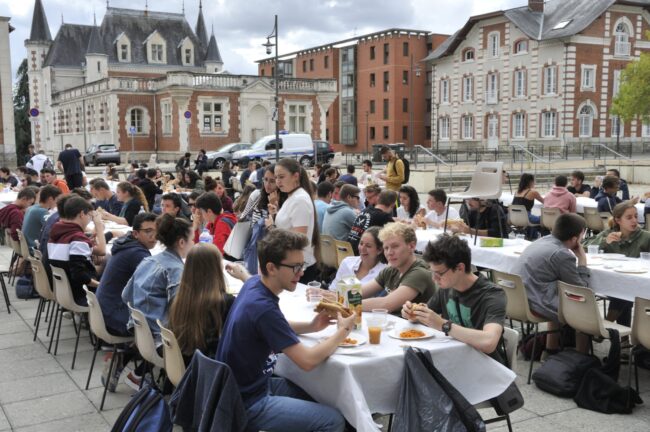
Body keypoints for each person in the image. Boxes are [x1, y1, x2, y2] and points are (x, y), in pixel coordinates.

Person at [216, 229, 352, 432]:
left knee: (321, 395)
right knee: (333, 420)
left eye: (302, 265)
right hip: (248, 402)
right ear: (271, 268)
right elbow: (307, 361)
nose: (302, 273)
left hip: (243, 387)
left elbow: (275, 326)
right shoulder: (263, 307)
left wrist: (312, 326)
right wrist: (343, 332)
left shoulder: (254, 284)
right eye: (295, 267)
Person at [402, 234, 507, 363]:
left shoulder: (492, 294)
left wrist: (444, 325)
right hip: (455, 359)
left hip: (487, 366)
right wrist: (411, 313)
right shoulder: (447, 286)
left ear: (460, 268)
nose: (434, 279)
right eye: (432, 272)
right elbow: (426, 318)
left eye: (439, 273)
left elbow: (489, 342)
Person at [95, 212, 157, 391]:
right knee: (162, 329)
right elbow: (155, 285)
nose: (153, 236)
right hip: (114, 314)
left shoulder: (127, 245)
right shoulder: (137, 254)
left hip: (104, 310)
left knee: (148, 319)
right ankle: (137, 375)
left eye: (156, 231)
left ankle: (119, 360)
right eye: (148, 231)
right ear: (136, 233)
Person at [515, 213, 591, 354]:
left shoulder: (540, 241)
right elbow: (581, 290)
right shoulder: (562, 255)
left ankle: (550, 350)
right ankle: (582, 359)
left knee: (556, 296)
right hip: (536, 303)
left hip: (519, 301)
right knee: (584, 310)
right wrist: (582, 259)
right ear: (575, 239)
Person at [121, 214, 194, 345]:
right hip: (163, 341)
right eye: (192, 240)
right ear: (182, 242)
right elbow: (181, 315)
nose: (193, 243)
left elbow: (126, 296)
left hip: (142, 335)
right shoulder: (176, 271)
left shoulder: (147, 261)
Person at [583, 201, 650, 326]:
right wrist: (604, 242)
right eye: (629, 217)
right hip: (610, 282)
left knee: (626, 289)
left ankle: (607, 325)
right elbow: (584, 247)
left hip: (639, 283)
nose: (634, 221)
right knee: (625, 290)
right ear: (618, 220)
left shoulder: (645, 237)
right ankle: (619, 336)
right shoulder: (609, 234)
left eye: (636, 216)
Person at [169, 243, 237, 364]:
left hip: (183, 368)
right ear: (216, 268)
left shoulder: (180, 299)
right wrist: (244, 277)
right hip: (209, 374)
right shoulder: (224, 302)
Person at [358, 222, 436, 313]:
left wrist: (349, 303)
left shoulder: (420, 272)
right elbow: (360, 292)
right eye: (386, 248)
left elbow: (386, 304)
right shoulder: (391, 270)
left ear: (411, 246)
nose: (389, 253)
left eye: (395, 246)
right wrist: (341, 297)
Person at [268, 158, 321, 283]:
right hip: (292, 264)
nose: (278, 181)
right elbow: (289, 226)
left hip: (299, 268)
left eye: (281, 177)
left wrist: (271, 228)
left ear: (295, 176)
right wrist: (275, 215)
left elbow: (299, 239)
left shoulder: (300, 199)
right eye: (276, 177)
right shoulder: (293, 196)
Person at [48, 196, 105, 305]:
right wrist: (101, 285)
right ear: (82, 214)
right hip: (81, 294)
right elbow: (79, 276)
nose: (90, 220)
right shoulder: (77, 239)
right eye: (90, 216)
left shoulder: (56, 233)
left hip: (63, 292)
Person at [315, 227, 386, 296]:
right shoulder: (347, 262)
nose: (362, 248)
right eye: (361, 243)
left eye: (368, 246)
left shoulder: (383, 272)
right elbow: (333, 290)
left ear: (379, 250)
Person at [347, 189, 395, 254]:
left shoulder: (364, 211)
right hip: (361, 254)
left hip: (349, 250)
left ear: (378, 200)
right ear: (392, 205)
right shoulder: (384, 217)